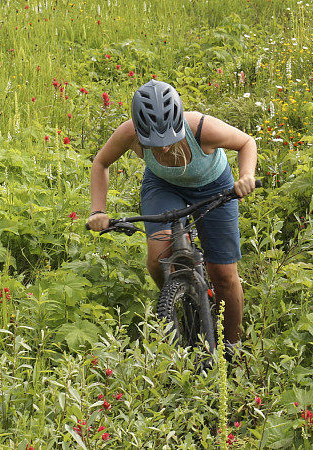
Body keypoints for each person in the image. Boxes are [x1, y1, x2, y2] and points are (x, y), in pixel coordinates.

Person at [86, 79, 257, 350]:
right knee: (157, 259)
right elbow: (101, 162)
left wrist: (247, 176)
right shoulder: (128, 133)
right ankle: (180, 294)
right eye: (154, 142)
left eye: (168, 139)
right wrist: (98, 210)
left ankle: (233, 346)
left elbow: (247, 142)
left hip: (214, 186)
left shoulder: (202, 128)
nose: (163, 148)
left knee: (223, 274)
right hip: (163, 186)